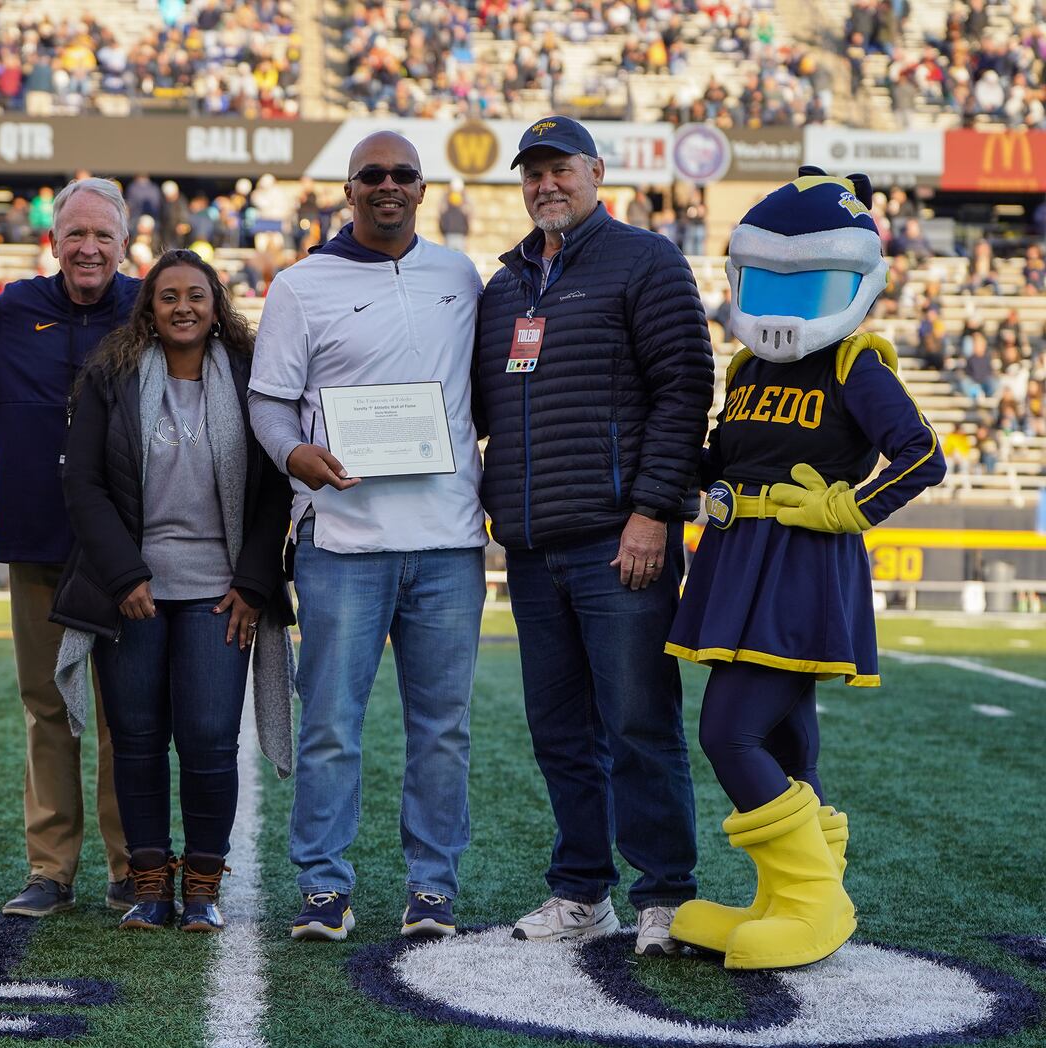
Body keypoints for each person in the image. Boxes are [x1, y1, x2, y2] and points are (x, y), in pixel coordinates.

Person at [666, 169, 944, 970]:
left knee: (729, 729)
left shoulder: (857, 362)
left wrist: (849, 508)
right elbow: (729, 456)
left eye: (810, 280)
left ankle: (816, 899)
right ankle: (784, 898)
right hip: (736, 560)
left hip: (803, 568)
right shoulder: (746, 371)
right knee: (790, 742)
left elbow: (921, 454)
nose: (787, 300)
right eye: (772, 280)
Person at [474, 116, 713, 956]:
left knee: (640, 724)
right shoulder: (504, 285)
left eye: (559, 169)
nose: (546, 184)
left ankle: (667, 896)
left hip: (622, 541)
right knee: (559, 731)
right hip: (534, 549)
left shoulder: (645, 260)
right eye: (532, 172)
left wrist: (653, 511)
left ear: (596, 171)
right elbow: (478, 410)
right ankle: (582, 891)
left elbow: (686, 387)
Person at [250, 131, 487, 941]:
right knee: (329, 726)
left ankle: (433, 888)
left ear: (424, 190)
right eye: (371, 175)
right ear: (347, 192)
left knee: (443, 727)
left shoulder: (461, 273)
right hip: (343, 542)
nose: (388, 185)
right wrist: (295, 454)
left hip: (450, 543)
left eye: (404, 175)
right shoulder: (299, 285)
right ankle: (324, 885)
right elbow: (270, 403)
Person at [51, 249, 294, 933]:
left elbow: (274, 484)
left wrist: (253, 581)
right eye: (168, 296)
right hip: (134, 589)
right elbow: (84, 484)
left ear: (217, 304)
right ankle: (151, 883)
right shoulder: (111, 375)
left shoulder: (250, 377)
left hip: (222, 591)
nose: (183, 306)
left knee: (212, 739)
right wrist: (125, 573)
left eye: (196, 294)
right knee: (135, 739)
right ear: (148, 309)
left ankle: (204, 885)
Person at [0, 177, 139, 917]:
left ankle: (134, 866)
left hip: (128, 549)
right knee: (47, 706)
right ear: (53, 241)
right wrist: (10, 421)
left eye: (102, 236)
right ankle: (50, 868)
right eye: (75, 235)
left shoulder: (148, 306)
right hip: (36, 537)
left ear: (124, 244)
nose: (88, 248)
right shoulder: (16, 306)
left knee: (127, 713)